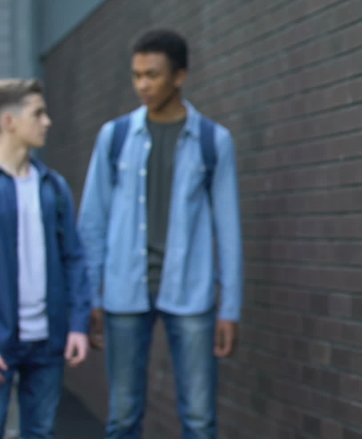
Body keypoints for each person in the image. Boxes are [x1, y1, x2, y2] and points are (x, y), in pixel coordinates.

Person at [78, 29, 243, 439]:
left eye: (152, 75)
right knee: (123, 417)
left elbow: (229, 228)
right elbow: (92, 221)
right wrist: (90, 296)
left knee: (200, 420)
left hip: (190, 293)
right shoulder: (114, 137)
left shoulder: (212, 141)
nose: (143, 85)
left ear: (179, 75)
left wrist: (230, 307)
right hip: (123, 291)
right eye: (136, 76)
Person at [0, 79, 90, 438]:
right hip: (2, 341)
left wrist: (78, 324)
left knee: (41, 433)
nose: (47, 121)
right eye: (38, 113)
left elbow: (74, 258)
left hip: (47, 341)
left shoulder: (53, 186)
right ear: (8, 121)